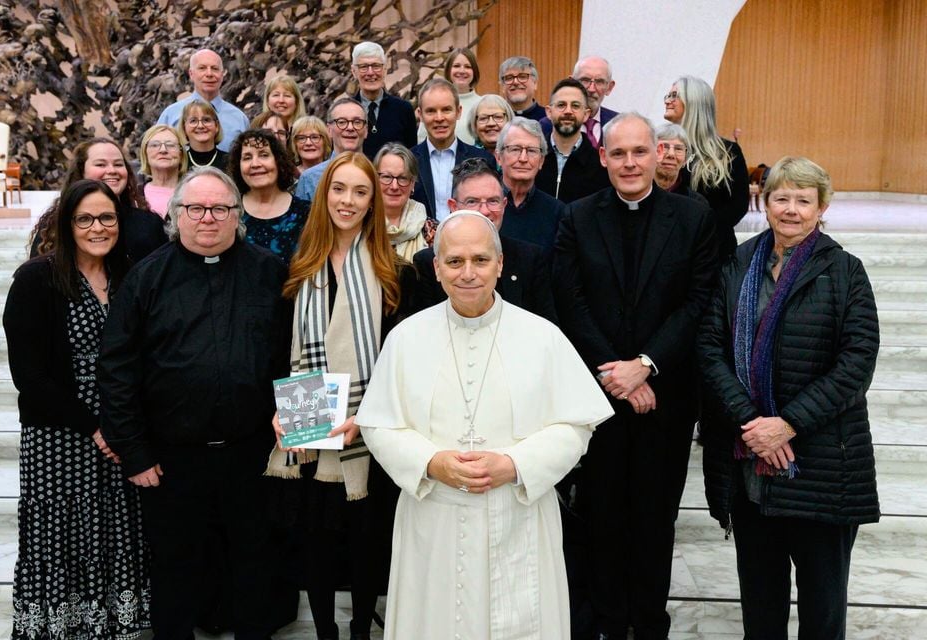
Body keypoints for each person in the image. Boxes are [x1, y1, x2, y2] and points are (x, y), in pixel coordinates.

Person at [357, 210, 614, 640]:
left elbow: (576, 426)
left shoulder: (543, 336)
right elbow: (379, 426)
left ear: (500, 264)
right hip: (433, 517)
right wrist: (432, 461)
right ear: (436, 268)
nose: (468, 273)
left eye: (480, 260)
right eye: (454, 261)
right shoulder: (405, 338)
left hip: (518, 513)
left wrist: (515, 464)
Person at [98, 167, 288, 640]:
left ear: (236, 216)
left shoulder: (270, 272)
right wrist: (135, 452)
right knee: (176, 572)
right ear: (176, 215)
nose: (208, 218)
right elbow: (117, 370)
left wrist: (298, 432)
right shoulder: (147, 278)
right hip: (173, 459)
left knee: (255, 563)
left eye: (220, 208)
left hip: (254, 454)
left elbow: (295, 353)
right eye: (196, 208)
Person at [698, 156, 880, 640]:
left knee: (822, 614)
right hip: (751, 472)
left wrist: (788, 424)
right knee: (761, 608)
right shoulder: (737, 264)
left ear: (822, 207)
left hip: (821, 467)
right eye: (782, 198)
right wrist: (752, 422)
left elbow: (856, 363)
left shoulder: (845, 272)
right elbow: (709, 348)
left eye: (804, 200)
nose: (792, 210)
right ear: (766, 202)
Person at [553, 113, 718, 640]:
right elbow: (571, 302)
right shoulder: (576, 217)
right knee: (601, 516)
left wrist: (645, 365)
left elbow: (698, 302)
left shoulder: (693, 219)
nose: (629, 163)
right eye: (618, 153)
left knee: (654, 520)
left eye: (639, 152)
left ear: (659, 155)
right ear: (603, 157)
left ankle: (649, 623)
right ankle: (603, 623)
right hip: (598, 399)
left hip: (663, 399)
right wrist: (616, 373)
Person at [268, 151, 416, 640]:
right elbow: (277, 351)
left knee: (365, 539)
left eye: (360, 191)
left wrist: (366, 416)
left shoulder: (395, 273)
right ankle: (326, 631)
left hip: (368, 430)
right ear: (323, 194)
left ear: (373, 201)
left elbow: (401, 362)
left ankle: (358, 632)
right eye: (338, 189)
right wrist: (278, 412)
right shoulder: (296, 269)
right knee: (316, 540)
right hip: (310, 425)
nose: (347, 201)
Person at [5, 179, 150, 639]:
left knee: (114, 527)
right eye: (84, 218)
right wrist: (93, 427)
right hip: (59, 437)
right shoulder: (36, 279)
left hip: (120, 428)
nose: (97, 227)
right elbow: (29, 376)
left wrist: (123, 426)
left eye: (107, 217)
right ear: (67, 224)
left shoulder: (130, 274)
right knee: (64, 533)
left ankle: (115, 626)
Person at [413, 158, 556, 322]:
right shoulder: (426, 263)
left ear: (503, 205)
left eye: (493, 201)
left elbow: (545, 328)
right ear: (453, 207)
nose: (484, 211)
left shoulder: (530, 259)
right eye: (472, 201)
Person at [29, 137, 167, 262]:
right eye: (101, 165)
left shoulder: (150, 224)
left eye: (118, 164)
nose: (112, 170)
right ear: (81, 171)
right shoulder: (56, 224)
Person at [664, 75, 748, 262]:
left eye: (674, 95)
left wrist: (702, 231)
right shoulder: (657, 147)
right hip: (666, 248)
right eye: (668, 95)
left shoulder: (727, 152)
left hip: (712, 251)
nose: (668, 100)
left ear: (694, 101)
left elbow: (738, 204)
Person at [411, 78, 494, 221]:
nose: (439, 118)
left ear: (458, 112)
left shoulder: (482, 160)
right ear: (420, 114)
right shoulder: (408, 161)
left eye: (446, 110)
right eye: (431, 111)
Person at [230, 128, 311, 263]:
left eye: (264, 155)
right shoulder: (228, 211)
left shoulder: (307, 213)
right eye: (247, 157)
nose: (255, 164)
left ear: (278, 161)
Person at [157, 48, 249, 151]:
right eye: (202, 68)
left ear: (222, 74)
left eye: (215, 68)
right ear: (191, 74)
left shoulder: (239, 119)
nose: (209, 74)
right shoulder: (171, 115)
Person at [495, 117, 564, 252]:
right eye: (515, 149)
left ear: (541, 161)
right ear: (499, 157)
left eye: (532, 151)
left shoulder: (557, 212)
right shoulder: (484, 206)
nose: (523, 159)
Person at [536, 78, 610, 203]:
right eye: (561, 105)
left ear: (586, 114)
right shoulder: (533, 157)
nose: (568, 111)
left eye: (575, 106)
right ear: (549, 112)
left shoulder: (600, 166)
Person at [350, 41, 417, 159]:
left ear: (385, 70)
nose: (370, 73)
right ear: (354, 72)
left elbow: (411, 156)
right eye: (364, 67)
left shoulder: (403, 109)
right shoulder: (344, 110)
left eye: (376, 66)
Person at [295, 98, 369, 200]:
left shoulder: (380, 175)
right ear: (329, 130)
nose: (350, 127)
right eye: (342, 122)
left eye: (357, 122)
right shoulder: (310, 179)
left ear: (366, 130)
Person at [540, 56, 619, 147]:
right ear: (571, 83)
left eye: (599, 81)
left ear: (609, 87)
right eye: (585, 80)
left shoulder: (618, 124)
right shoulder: (546, 126)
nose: (591, 89)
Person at [373, 142, 431, 259]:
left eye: (403, 178)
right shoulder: (361, 224)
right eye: (386, 177)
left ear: (413, 183)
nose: (394, 186)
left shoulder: (430, 230)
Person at [419, 47, 482, 145]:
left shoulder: (483, 104)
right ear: (448, 70)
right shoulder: (433, 102)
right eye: (456, 66)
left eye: (468, 67)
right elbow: (422, 138)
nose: (462, 71)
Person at [139, 124, 187, 218]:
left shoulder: (193, 192)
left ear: (181, 154)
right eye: (155, 145)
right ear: (145, 153)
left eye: (170, 145)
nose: (163, 150)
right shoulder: (134, 195)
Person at [653, 123, 707, 204]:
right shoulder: (635, 195)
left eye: (678, 149)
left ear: (685, 159)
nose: (671, 154)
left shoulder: (696, 202)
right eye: (664, 147)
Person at [179, 99, 230, 171]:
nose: (200, 126)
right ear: (184, 128)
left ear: (216, 126)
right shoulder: (178, 162)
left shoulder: (231, 162)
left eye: (206, 120)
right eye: (193, 121)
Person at [499, 56, 545, 121]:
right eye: (509, 78)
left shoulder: (549, 119)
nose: (515, 82)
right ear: (503, 86)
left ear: (535, 83)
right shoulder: (496, 121)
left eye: (522, 77)